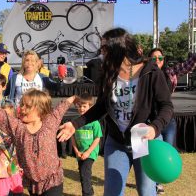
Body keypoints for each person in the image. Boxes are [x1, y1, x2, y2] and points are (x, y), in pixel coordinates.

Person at [58, 27, 174, 196]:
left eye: (105, 49)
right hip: (117, 142)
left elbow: (167, 106)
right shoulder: (109, 74)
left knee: (146, 191)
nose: (101, 53)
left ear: (119, 49)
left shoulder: (151, 72)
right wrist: (75, 125)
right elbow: (101, 107)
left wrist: (154, 128)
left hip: (143, 141)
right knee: (112, 193)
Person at [0, 83, 78, 195]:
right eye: (22, 104)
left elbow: (61, 106)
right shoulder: (17, 127)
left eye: (27, 106)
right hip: (33, 184)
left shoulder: (50, 122)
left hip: (53, 181)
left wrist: (74, 98)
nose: (22, 108)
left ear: (40, 109)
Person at [149, 48, 196, 194]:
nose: (157, 60)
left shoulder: (170, 73)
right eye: (153, 58)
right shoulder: (145, 74)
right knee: (154, 152)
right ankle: (151, 183)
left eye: (160, 58)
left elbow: (189, 64)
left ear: (164, 60)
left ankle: (158, 182)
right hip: (152, 122)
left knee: (165, 152)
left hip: (169, 121)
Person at [71, 93, 102, 196]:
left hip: (90, 153)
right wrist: (76, 151)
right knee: (83, 174)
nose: (82, 108)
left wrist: (88, 152)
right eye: (79, 106)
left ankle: (87, 194)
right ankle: (90, 192)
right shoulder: (75, 122)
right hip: (80, 153)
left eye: (84, 106)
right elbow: (72, 137)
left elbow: (97, 138)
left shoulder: (94, 123)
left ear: (90, 107)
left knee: (85, 173)